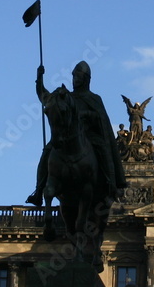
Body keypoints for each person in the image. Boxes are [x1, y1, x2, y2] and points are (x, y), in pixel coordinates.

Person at [27, 62, 127, 207]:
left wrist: (86, 114)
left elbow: (100, 119)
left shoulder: (94, 98)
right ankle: (38, 192)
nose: (74, 80)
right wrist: (39, 79)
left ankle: (112, 185)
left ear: (86, 79)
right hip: (66, 137)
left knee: (104, 150)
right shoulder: (66, 97)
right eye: (73, 77)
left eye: (78, 77)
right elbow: (45, 97)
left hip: (89, 135)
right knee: (47, 152)